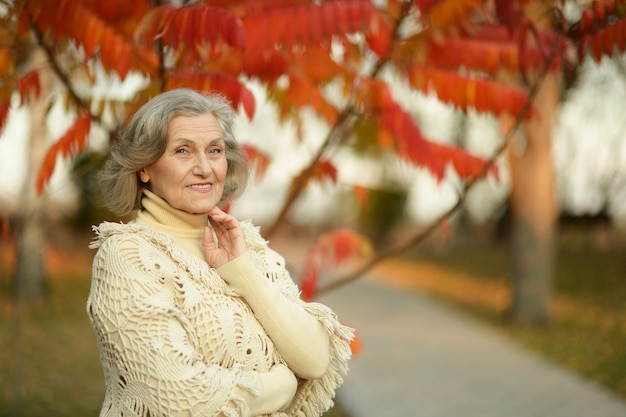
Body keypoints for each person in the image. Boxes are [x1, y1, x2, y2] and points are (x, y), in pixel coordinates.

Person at [86, 88, 354, 417]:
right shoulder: (127, 256)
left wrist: (243, 272)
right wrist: (280, 386)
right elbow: (181, 399)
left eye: (214, 150)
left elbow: (314, 360)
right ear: (144, 167)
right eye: (183, 151)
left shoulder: (246, 245)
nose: (204, 168)